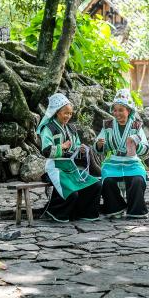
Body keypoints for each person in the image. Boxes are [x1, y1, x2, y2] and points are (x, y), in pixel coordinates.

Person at [36, 94, 102, 222]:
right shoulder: (48, 129)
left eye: (70, 114)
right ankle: (55, 212)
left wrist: (81, 150)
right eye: (65, 113)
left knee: (95, 185)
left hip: (72, 167)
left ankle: (84, 213)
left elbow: (75, 147)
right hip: (56, 167)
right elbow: (46, 151)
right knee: (71, 192)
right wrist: (63, 147)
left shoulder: (71, 128)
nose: (68, 116)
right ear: (57, 112)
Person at [95, 90, 149, 218]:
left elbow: (145, 148)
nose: (117, 113)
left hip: (132, 163)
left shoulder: (136, 126)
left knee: (138, 180)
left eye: (121, 110)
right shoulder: (107, 125)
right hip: (112, 163)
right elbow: (98, 147)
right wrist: (100, 145)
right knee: (107, 181)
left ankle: (135, 211)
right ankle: (116, 208)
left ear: (128, 111)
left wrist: (136, 146)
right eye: (115, 110)